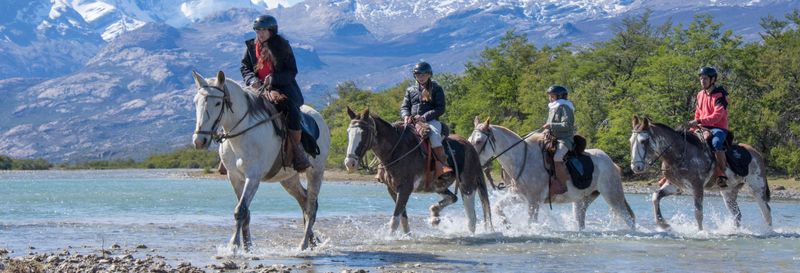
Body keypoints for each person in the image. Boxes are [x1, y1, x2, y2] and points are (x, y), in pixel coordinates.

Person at [240, 15, 310, 172]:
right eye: (258, 30)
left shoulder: (283, 46)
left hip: (281, 88)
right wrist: (252, 80)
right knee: (235, 105)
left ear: (272, 30)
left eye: (264, 30)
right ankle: (229, 154)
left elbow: (292, 71)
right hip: (257, 87)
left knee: (291, 111)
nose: (261, 33)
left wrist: (273, 78)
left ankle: (297, 151)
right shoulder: (251, 46)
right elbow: (245, 67)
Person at [400, 61, 454, 179]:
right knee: (392, 133)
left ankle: (443, 167)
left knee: (434, 136)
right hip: (411, 121)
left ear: (429, 75)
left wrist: (424, 117)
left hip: (431, 121)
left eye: (424, 74)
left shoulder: (437, 88)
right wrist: (405, 116)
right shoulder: (410, 90)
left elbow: (440, 108)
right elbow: (404, 107)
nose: (421, 77)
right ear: (415, 75)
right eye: (418, 74)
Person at [687, 66, 729, 188]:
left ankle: (721, 174)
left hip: (718, 128)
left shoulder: (720, 95)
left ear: (713, 79)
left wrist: (699, 121)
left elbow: (717, 116)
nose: (702, 81)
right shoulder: (700, 94)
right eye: (701, 78)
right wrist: (693, 128)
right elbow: (698, 113)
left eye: (705, 78)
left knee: (716, 143)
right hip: (702, 126)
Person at [543, 85, 575, 195]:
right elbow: (548, 127)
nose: (550, 98)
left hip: (564, 139)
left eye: (552, 96)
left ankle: (563, 185)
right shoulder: (553, 107)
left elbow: (567, 125)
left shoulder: (565, 107)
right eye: (550, 96)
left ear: (559, 96)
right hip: (551, 139)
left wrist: (550, 125)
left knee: (557, 157)